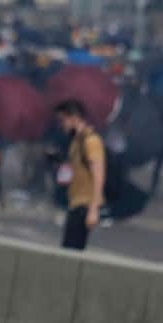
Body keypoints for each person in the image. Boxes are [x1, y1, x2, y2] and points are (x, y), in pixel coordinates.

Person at [56, 99, 105, 250]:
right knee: (68, 249)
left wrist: (93, 209)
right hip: (75, 202)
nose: (61, 124)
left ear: (74, 117)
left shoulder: (91, 141)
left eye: (63, 119)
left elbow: (99, 175)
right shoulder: (76, 142)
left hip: (84, 205)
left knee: (72, 250)